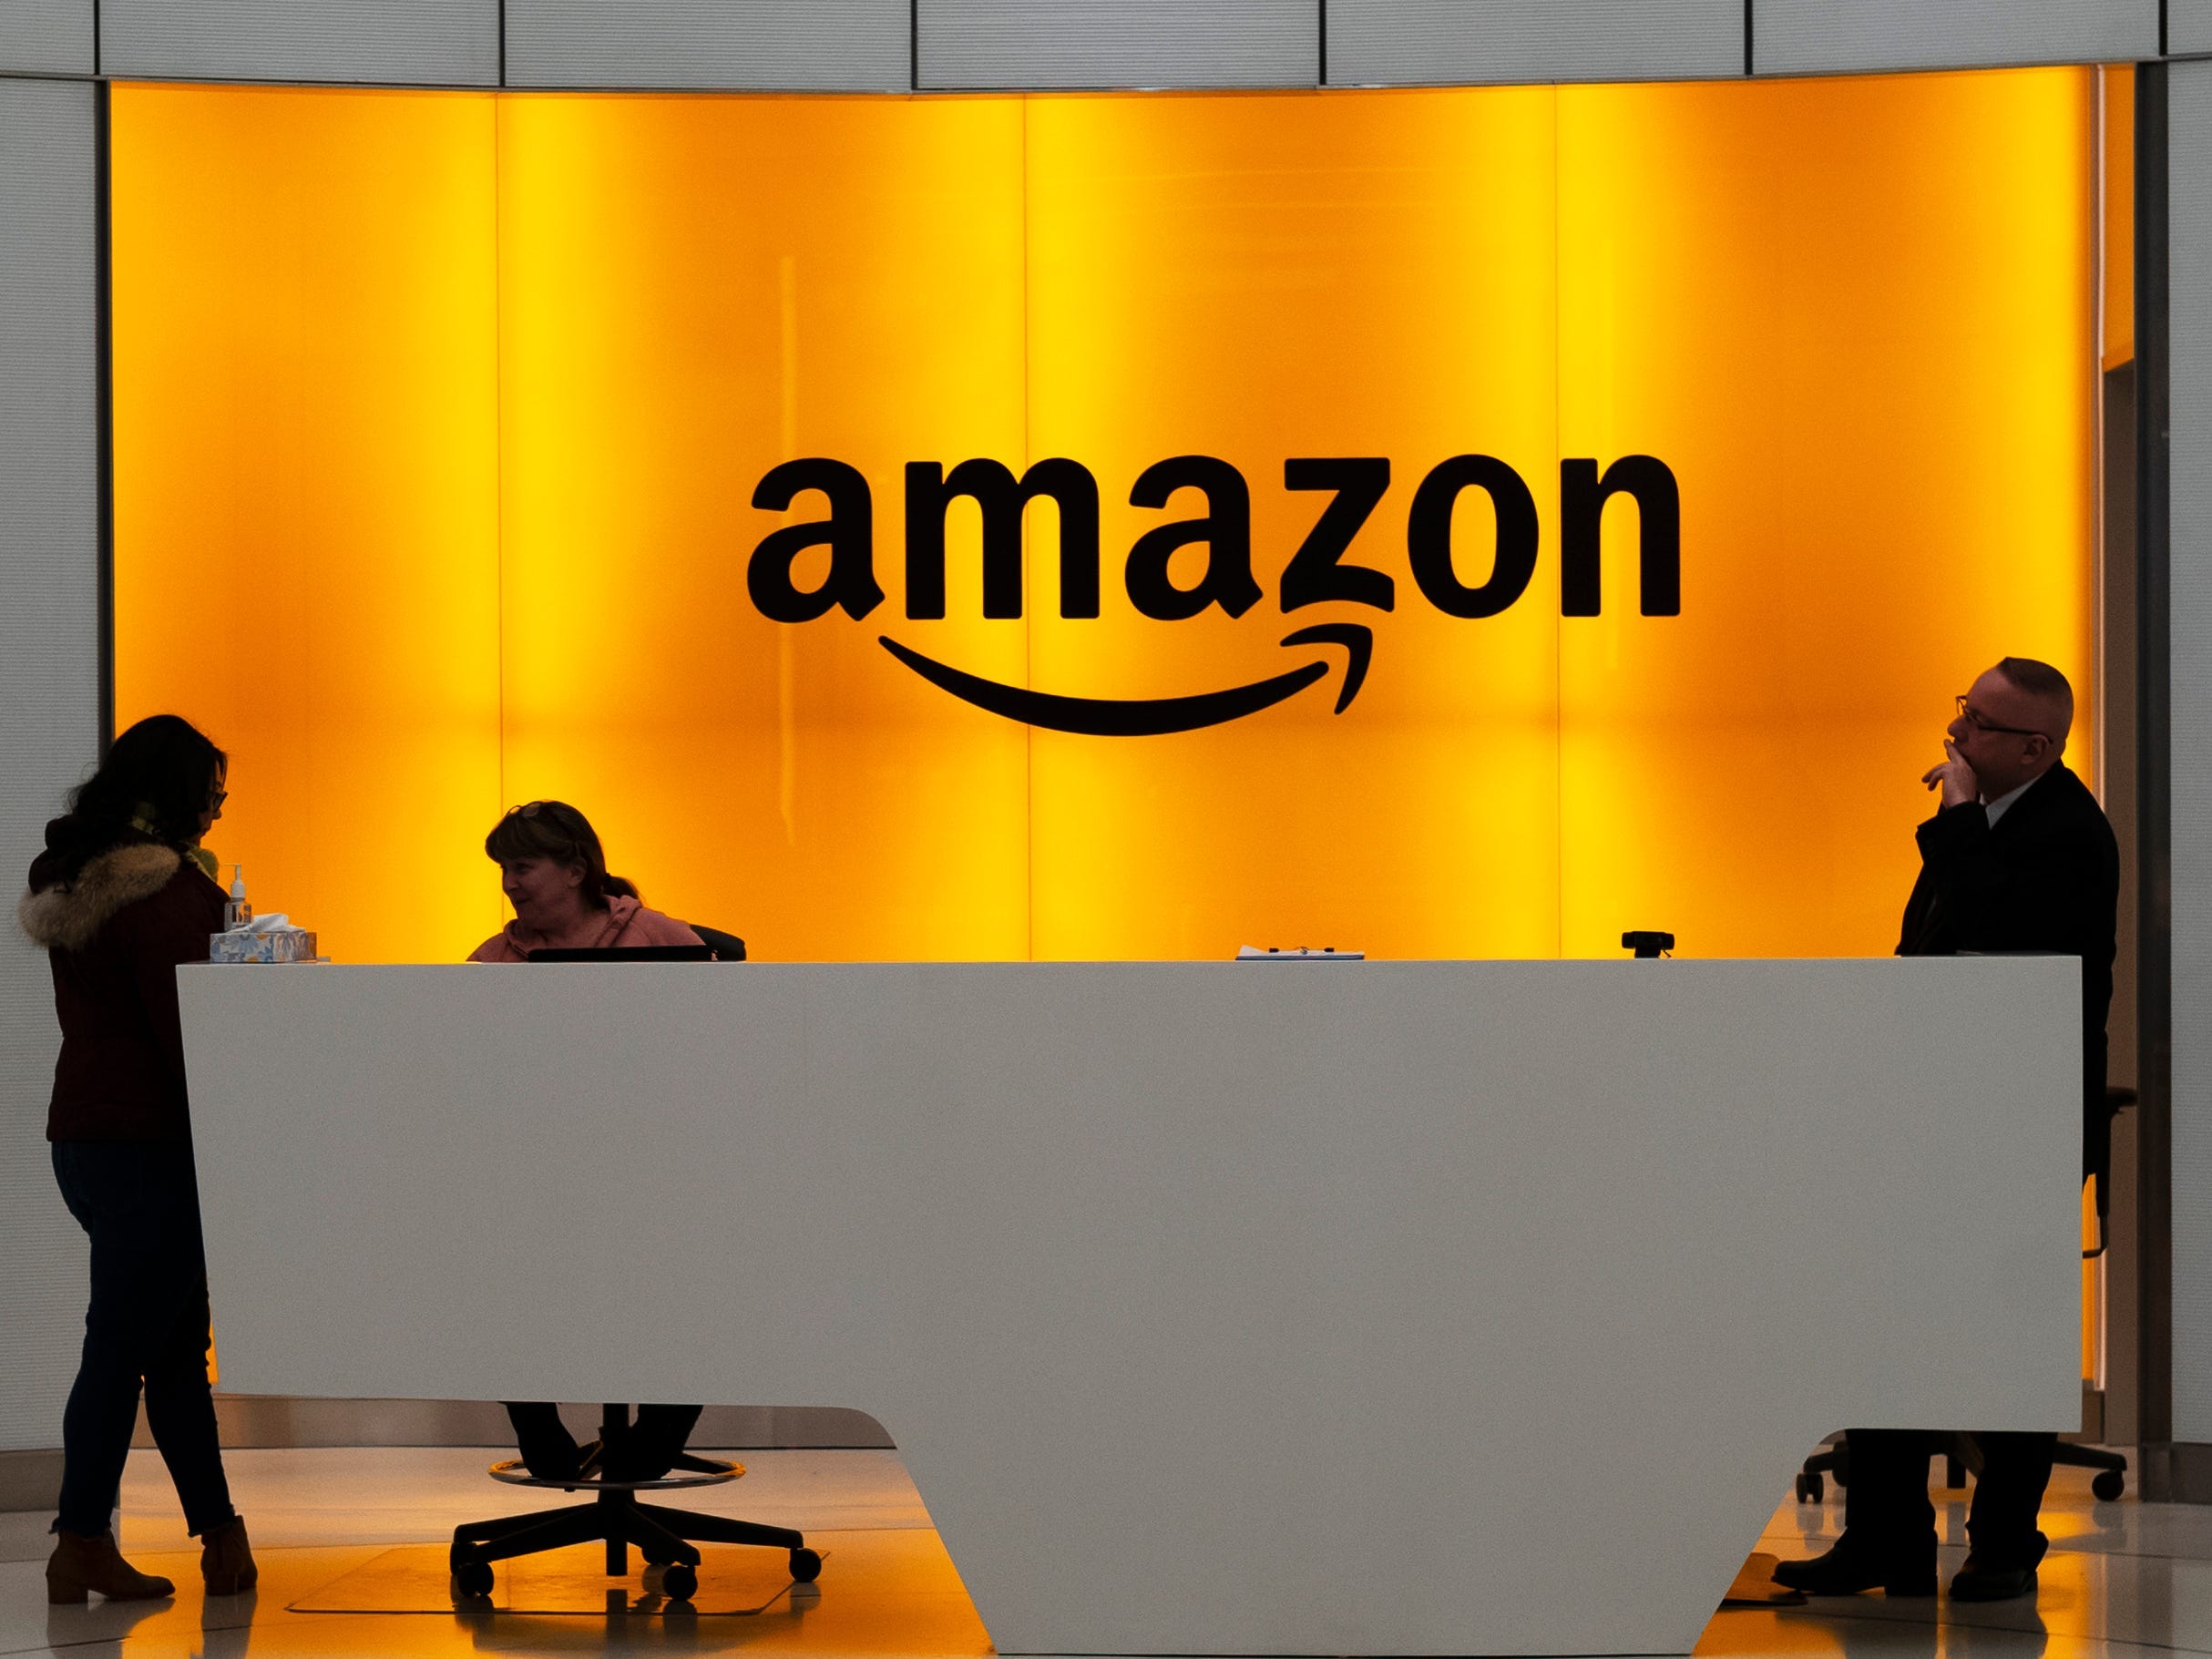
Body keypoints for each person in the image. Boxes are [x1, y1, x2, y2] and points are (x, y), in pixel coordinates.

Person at [1777, 658, 2119, 1604]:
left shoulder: (2068, 833)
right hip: (1931, 1119)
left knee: (2006, 1337)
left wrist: (1958, 815)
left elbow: (2000, 941)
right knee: (1884, 1323)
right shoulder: (1978, 826)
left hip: (2021, 1125)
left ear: (2034, 749)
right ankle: (1883, 1537)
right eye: (1962, 711)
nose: (1956, 732)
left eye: (1979, 722)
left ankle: (2004, 1546)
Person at [18, 714, 257, 1604]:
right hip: (152, 1140)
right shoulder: (161, 893)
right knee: (127, 1344)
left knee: (163, 1341)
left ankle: (221, 1539)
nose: (216, 813)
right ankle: (80, 1540)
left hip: (87, 1136)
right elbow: (193, 1028)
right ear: (175, 793)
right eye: (212, 795)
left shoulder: (82, 878)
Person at [467, 799, 705, 1481]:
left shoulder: (666, 939)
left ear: (575, 869)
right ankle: (538, 1432)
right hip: (537, 1174)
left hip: (659, 1169)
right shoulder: (491, 962)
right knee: (489, 1262)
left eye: (523, 866)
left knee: (701, 1270)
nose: (510, 884)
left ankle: (657, 1435)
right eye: (503, 870)